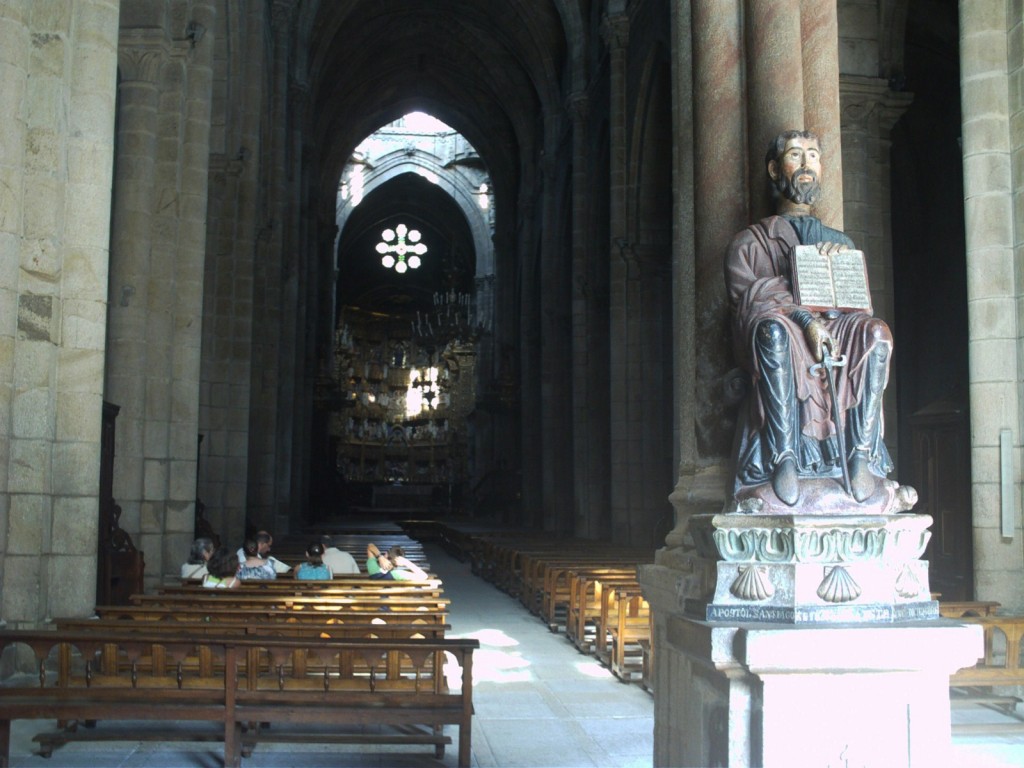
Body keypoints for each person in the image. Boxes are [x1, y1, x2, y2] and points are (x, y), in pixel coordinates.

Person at [724, 129, 893, 506]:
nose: (806, 166)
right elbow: (750, 298)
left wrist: (837, 270)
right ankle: (784, 458)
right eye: (796, 155)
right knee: (771, 331)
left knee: (877, 334)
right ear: (774, 169)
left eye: (813, 156)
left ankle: (860, 455)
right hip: (785, 329)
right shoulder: (750, 242)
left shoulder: (839, 241)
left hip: (835, 330)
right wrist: (806, 320)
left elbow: (858, 308)